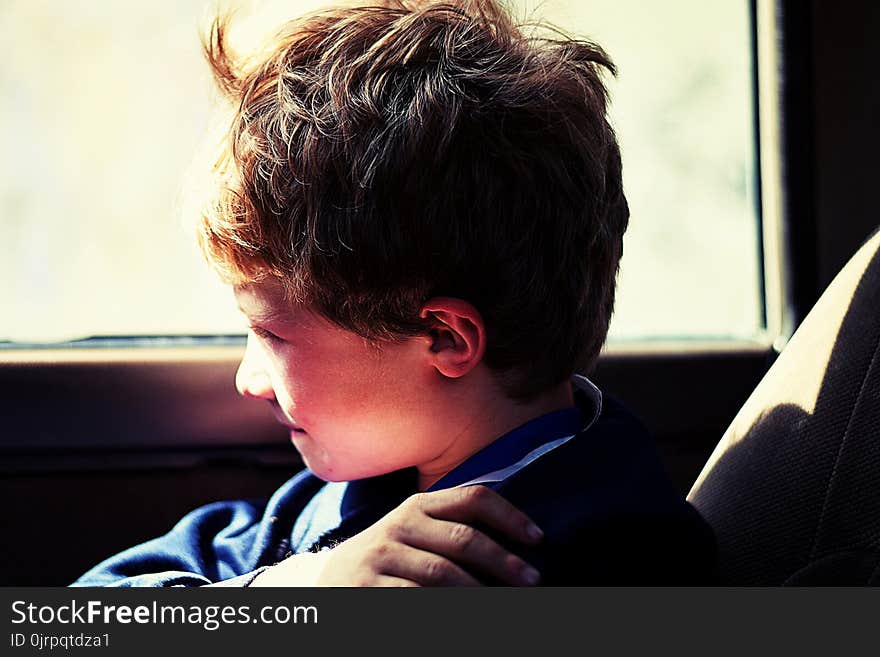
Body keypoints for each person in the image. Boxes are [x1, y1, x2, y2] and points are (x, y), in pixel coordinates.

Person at [72, 0, 715, 587]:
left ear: (445, 338)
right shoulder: (336, 503)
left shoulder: (617, 557)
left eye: (270, 333)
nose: (250, 381)